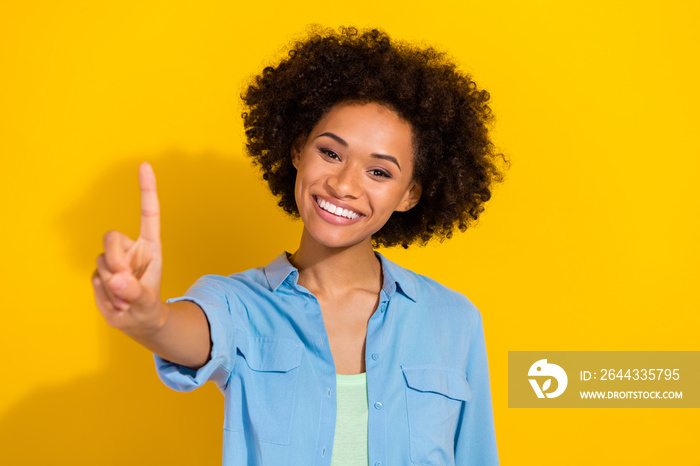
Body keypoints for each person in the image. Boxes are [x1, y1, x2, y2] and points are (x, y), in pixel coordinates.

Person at [92, 26, 506, 466]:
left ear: (410, 194)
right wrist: (148, 318)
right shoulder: (238, 305)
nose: (344, 184)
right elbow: (188, 334)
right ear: (297, 151)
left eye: (379, 173)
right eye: (330, 153)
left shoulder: (454, 319)